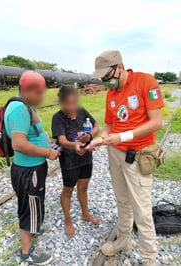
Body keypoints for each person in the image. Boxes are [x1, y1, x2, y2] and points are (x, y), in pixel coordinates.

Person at [88, 50, 165, 266]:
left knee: (141, 209)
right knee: (122, 201)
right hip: (115, 153)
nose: (105, 81)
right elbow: (110, 125)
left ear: (119, 66)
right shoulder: (111, 94)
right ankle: (123, 240)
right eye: (101, 78)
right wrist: (100, 139)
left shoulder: (145, 81)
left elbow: (156, 121)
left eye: (106, 76)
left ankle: (149, 258)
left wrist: (122, 136)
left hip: (139, 154)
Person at [4, 71, 60, 265]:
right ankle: (26, 251)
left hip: (32, 168)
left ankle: (33, 227)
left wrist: (47, 142)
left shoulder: (23, 106)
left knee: (32, 203)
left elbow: (30, 134)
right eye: (39, 93)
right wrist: (47, 153)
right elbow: (18, 144)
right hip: (29, 170)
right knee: (29, 205)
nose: (41, 97)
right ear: (27, 90)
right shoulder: (19, 109)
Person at [51, 86, 100, 237]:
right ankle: (67, 220)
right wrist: (75, 145)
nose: (71, 107)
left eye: (74, 103)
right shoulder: (58, 118)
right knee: (68, 191)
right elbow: (62, 140)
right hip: (70, 162)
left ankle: (85, 213)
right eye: (68, 103)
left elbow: (97, 126)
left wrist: (90, 136)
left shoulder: (82, 112)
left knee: (83, 188)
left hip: (86, 158)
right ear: (61, 103)